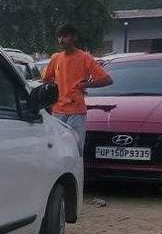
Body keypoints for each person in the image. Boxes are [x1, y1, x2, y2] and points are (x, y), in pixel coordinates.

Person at [42, 24, 113, 155]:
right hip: (58, 111)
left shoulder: (85, 58)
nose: (61, 40)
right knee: (57, 150)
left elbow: (107, 80)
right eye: (59, 37)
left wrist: (85, 85)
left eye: (65, 36)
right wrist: (51, 98)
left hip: (76, 112)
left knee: (76, 149)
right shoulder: (56, 58)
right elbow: (46, 79)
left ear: (74, 38)